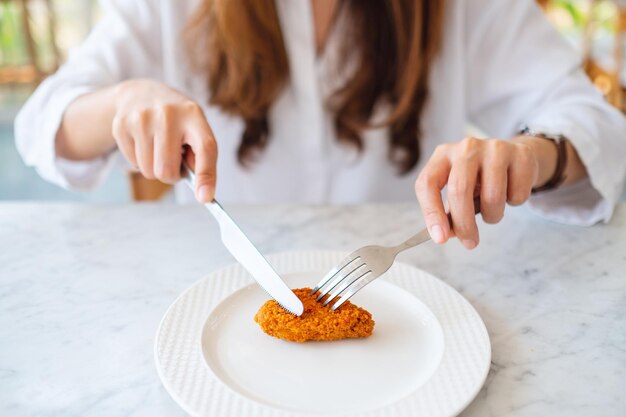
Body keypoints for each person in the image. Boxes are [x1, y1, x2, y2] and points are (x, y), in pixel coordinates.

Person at [15, 0, 626, 250]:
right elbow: (43, 123)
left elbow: (593, 119)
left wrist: (535, 154)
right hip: (214, 303)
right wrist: (122, 103)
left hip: (416, 305)